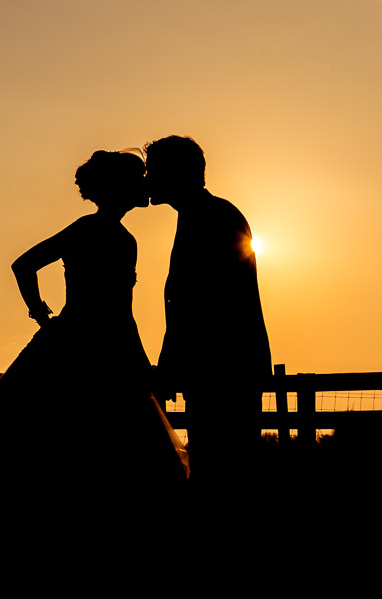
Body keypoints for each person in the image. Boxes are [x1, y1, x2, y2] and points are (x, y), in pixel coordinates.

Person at [0, 150, 189, 554]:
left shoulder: (93, 231)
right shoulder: (114, 237)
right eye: (139, 179)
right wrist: (138, 363)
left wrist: (44, 316)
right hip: (101, 349)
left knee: (42, 438)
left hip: (68, 342)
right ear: (121, 188)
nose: (146, 185)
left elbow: (24, 266)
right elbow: (115, 310)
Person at [144, 135, 271, 493]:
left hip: (225, 368)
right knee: (218, 469)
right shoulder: (205, 214)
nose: (148, 179)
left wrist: (170, 364)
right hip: (223, 367)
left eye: (154, 171)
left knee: (223, 473)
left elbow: (198, 302)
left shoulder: (209, 217)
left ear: (175, 173)